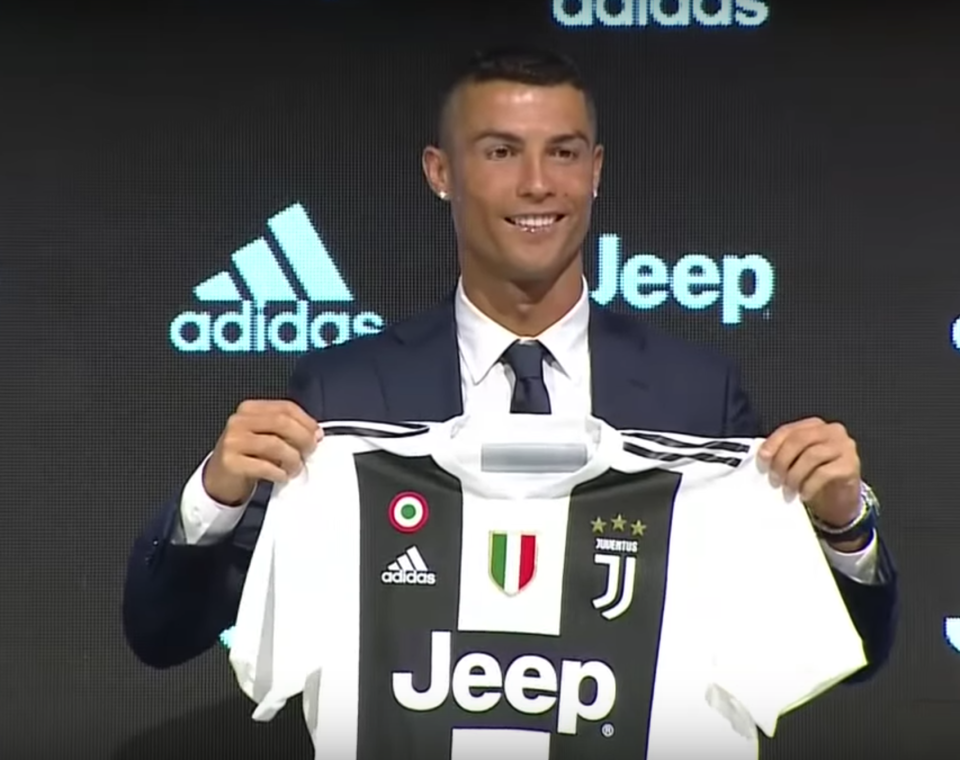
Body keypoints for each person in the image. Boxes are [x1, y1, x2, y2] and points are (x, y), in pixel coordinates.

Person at [123, 47, 897, 682]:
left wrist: (842, 526)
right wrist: (214, 498)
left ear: (595, 170)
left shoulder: (694, 395)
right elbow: (164, 635)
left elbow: (836, 658)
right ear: (440, 172)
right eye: (501, 152)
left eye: (563, 153)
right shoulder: (345, 394)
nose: (538, 184)